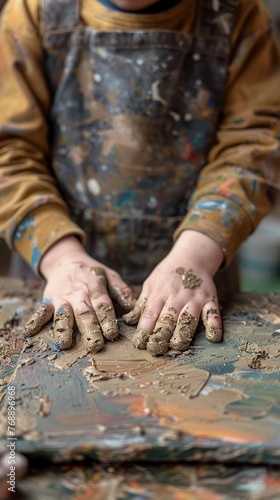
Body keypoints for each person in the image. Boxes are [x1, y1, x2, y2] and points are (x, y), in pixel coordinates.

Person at [0, 0, 279, 356]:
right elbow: (9, 152)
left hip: (195, 272)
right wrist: (61, 258)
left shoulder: (239, 16)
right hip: (56, 277)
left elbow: (253, 148)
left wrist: (195, 255)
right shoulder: (33, 13)